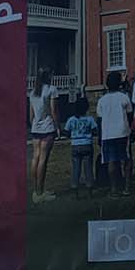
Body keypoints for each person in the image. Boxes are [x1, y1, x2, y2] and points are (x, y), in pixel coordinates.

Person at [96, 70, 133, 196]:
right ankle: (127, 186)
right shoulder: (124, 97)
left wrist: (99, 136)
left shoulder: (102, 100)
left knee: (111, 161)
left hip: (107, 133)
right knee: (126, 159)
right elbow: (130, 116)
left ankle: (114, 188)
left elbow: (99, 120)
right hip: (123, 131)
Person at [27, 69, 59, 203]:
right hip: (47, 127)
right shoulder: (51, 89)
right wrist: (58, 126)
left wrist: (33, 125)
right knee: (43, 160)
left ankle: (36, 190)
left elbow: (31, 114)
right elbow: (53, 110)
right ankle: (40, 193)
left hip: (36, 128)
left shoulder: (33, 92)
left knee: (35, 158)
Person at [63, 96, 99, 195]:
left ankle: (75, 188)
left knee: (76, 168)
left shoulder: (71, 119)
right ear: (86, 108)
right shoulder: (90, 119)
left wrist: (72, 134)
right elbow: (95, 131)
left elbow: (66, 132)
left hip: (75, 145)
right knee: (88, 168)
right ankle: (89, 189)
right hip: (87, 144)